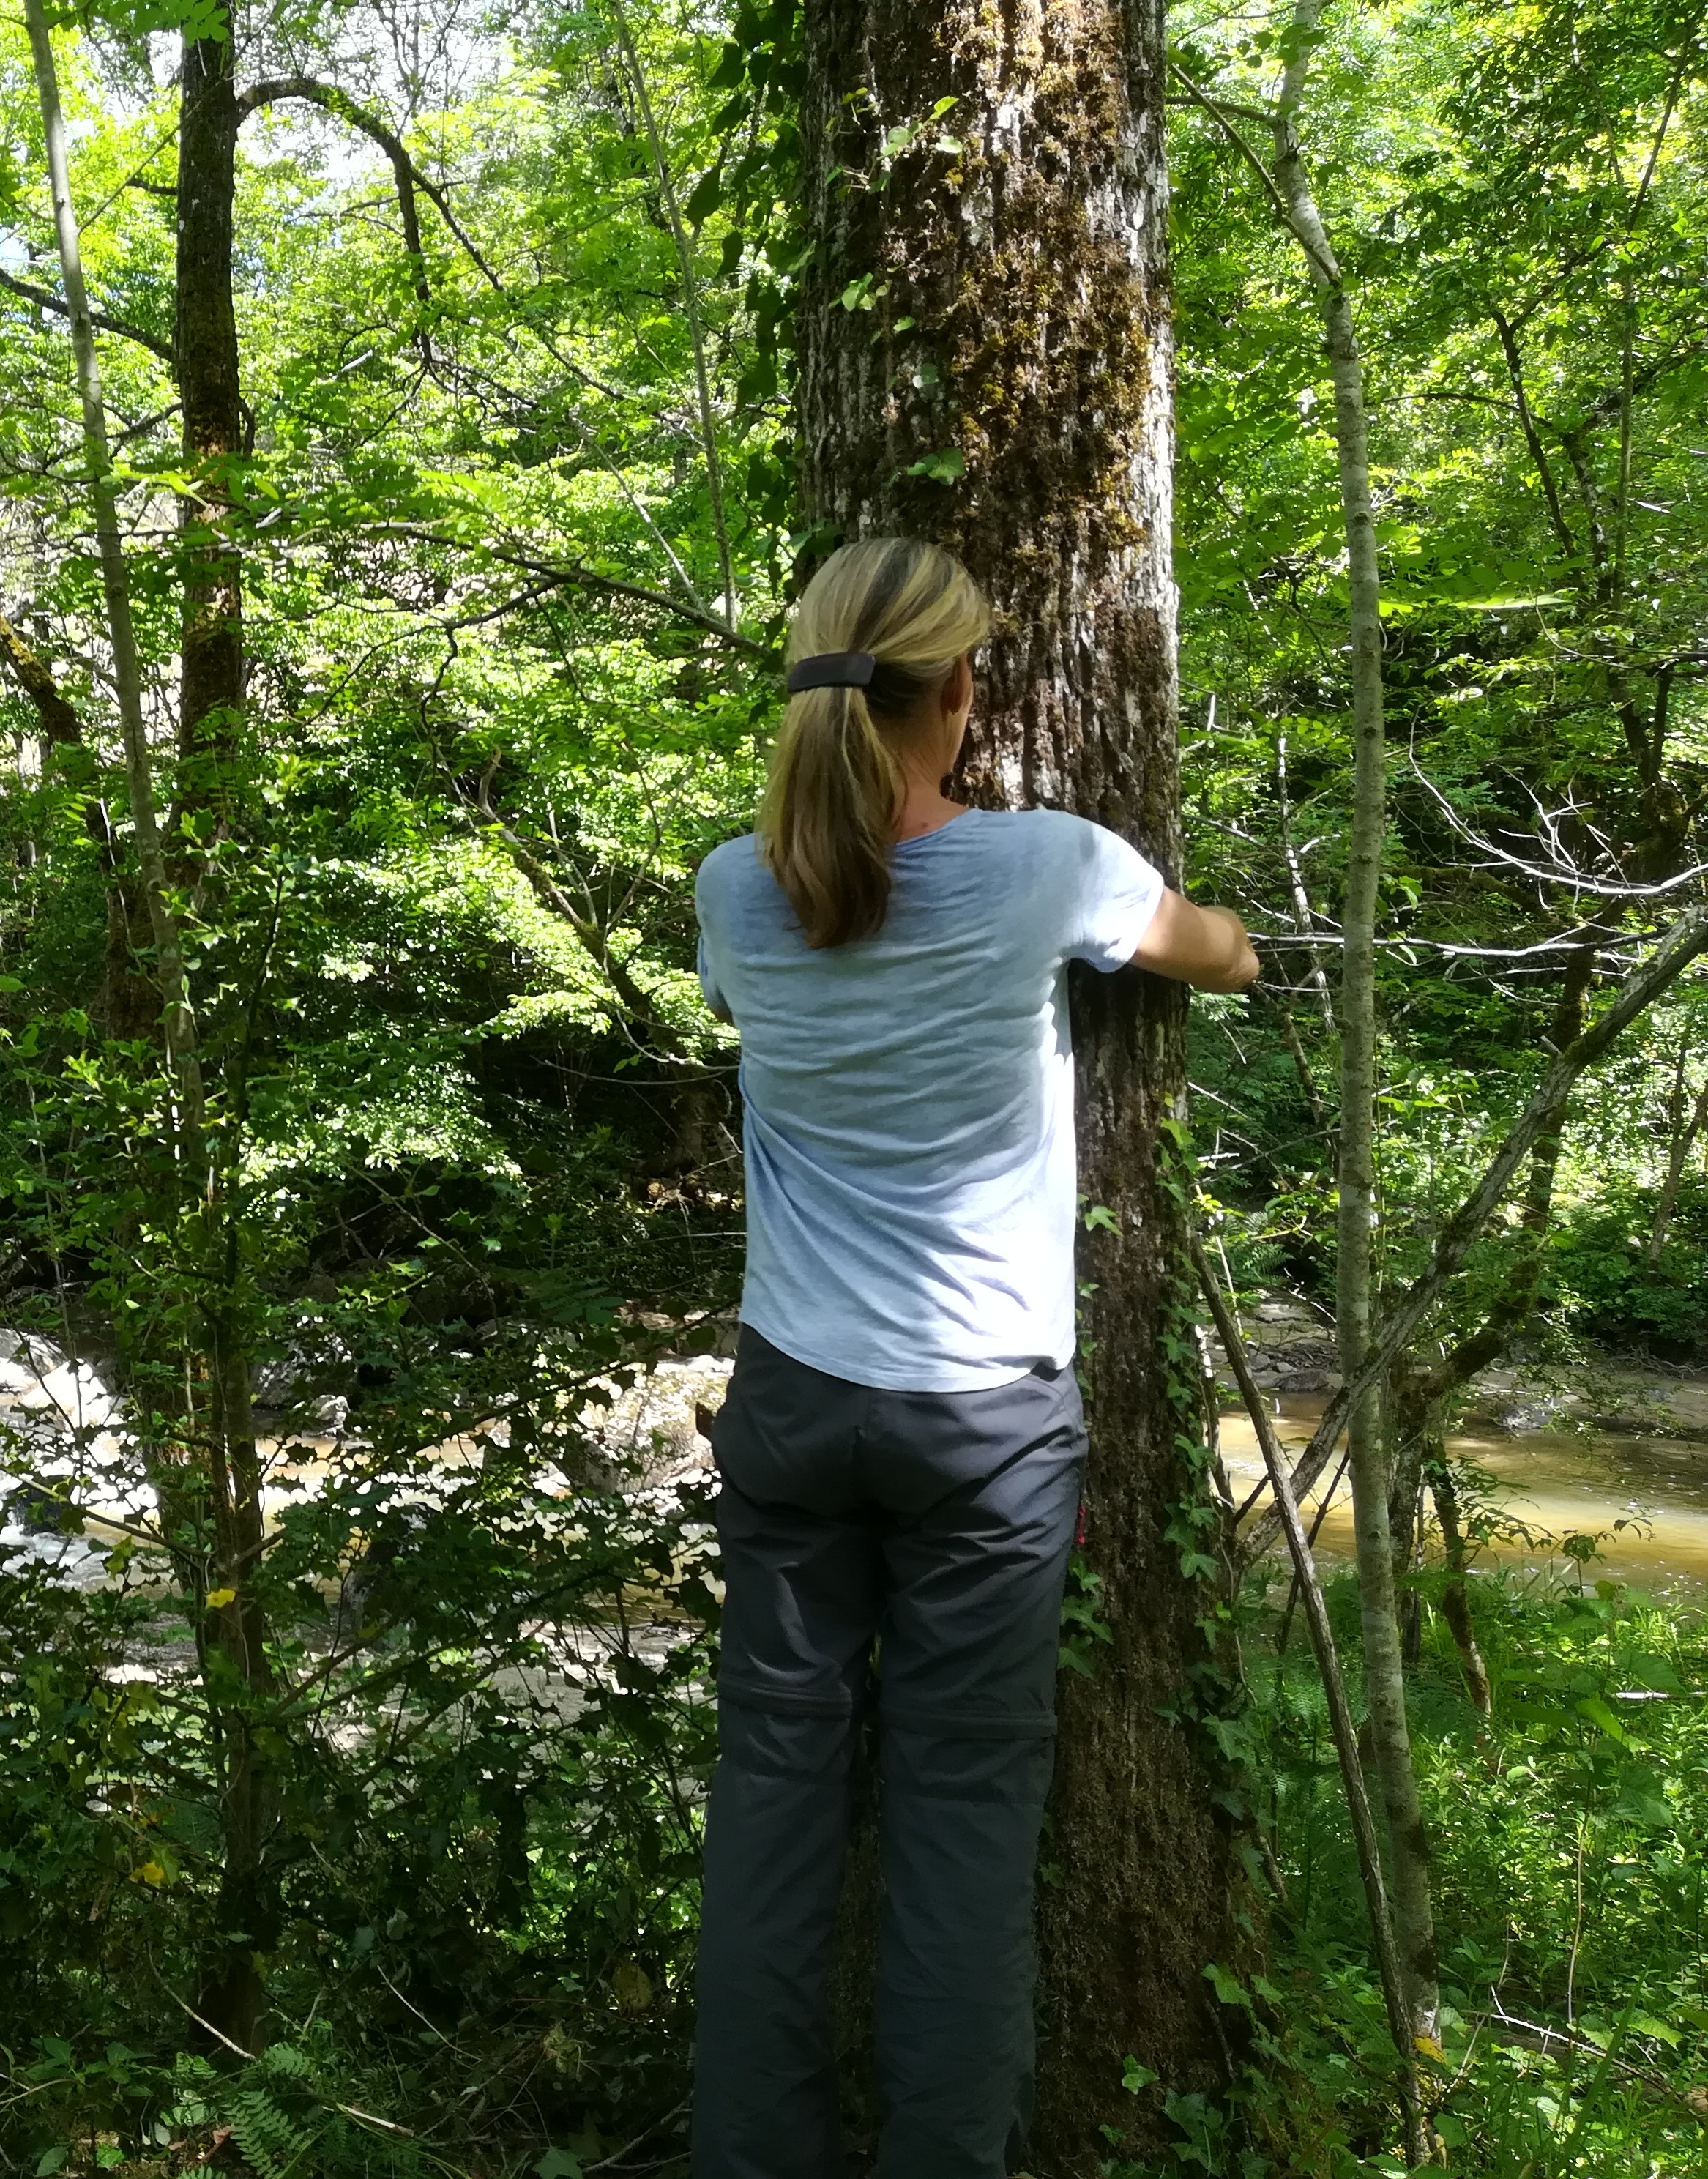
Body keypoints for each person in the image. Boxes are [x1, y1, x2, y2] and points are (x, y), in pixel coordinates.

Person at [687, 537, 1258, 2179]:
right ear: (956, 694)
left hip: (796, 1404)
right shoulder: (1046, 868)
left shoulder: (737, 886)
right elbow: (1208, 948)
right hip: (985, 1430)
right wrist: (1252, 943)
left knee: (776, 1802)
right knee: (959, 1825)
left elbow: (793, 950)